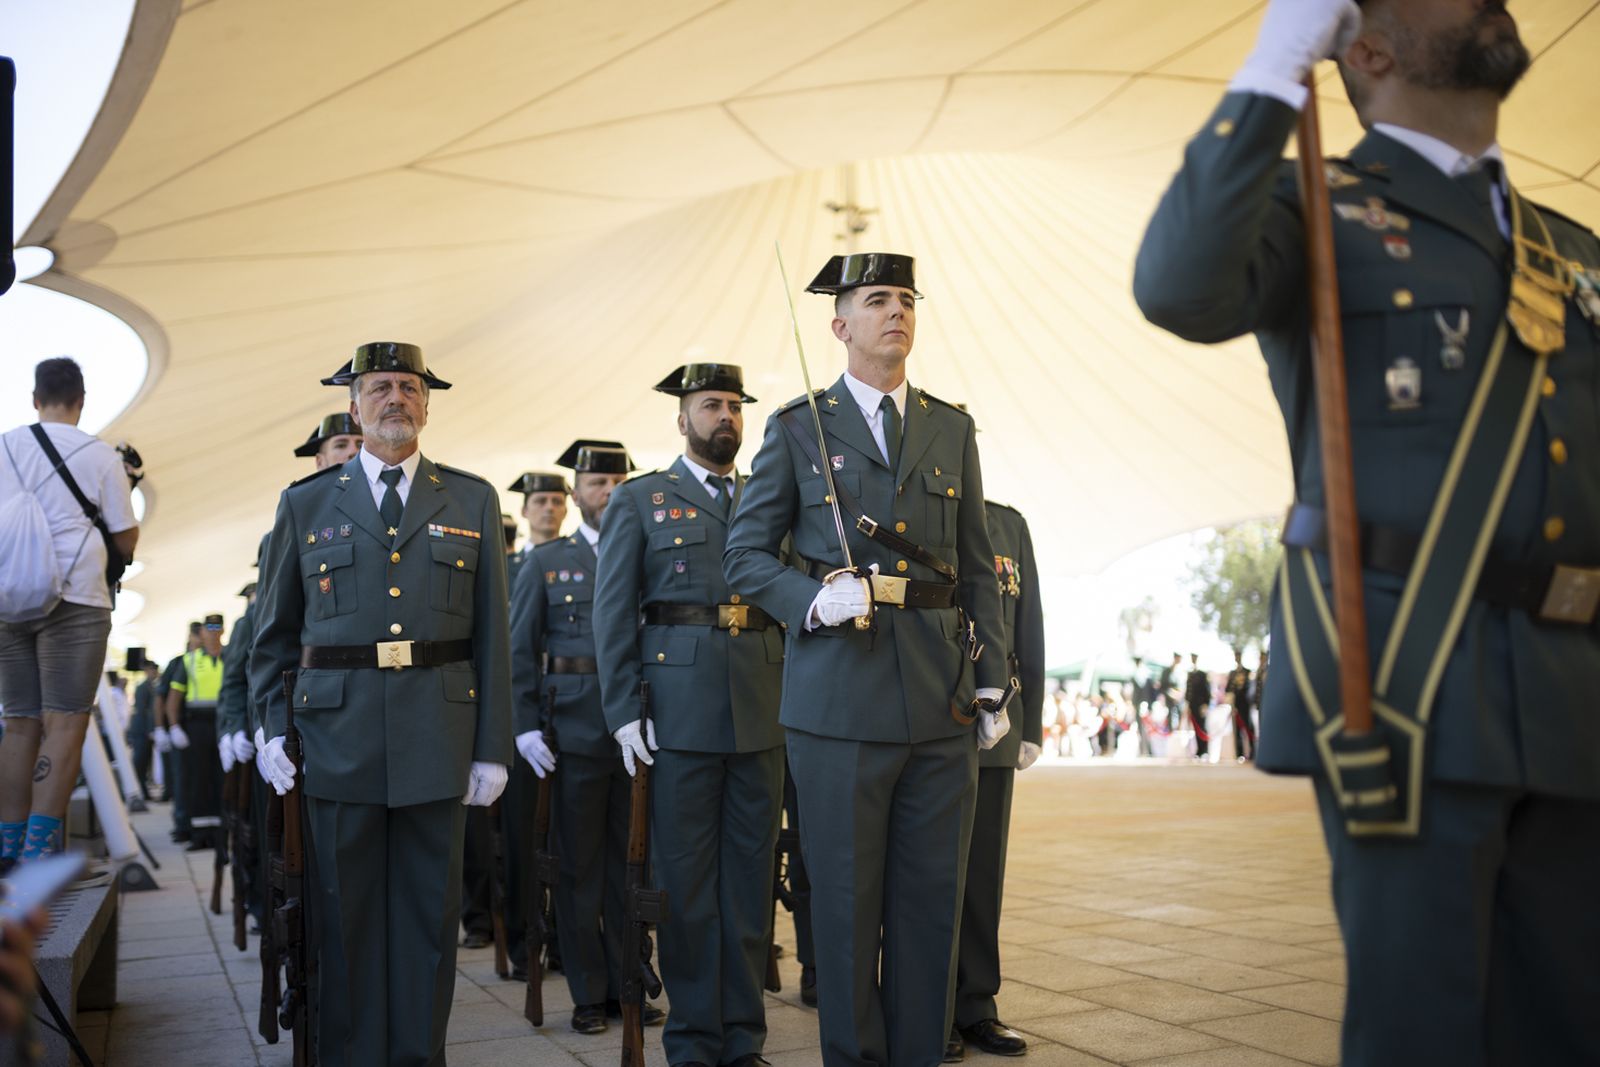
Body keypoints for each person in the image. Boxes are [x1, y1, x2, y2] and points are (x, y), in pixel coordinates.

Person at [1134, 2, 1600, 1063]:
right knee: (1422, 1027)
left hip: (1572, 689)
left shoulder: (1567, 246)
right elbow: (1178, 286)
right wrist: (1271, 68)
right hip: (1404, 681)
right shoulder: (1316, 204)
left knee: (1569, 1024)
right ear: (1370, 51)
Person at [725, 253, 1009, 1067]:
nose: (897, 311)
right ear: (841, 325)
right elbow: (745, 556)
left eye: (907, 299)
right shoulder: (797, 427)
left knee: (929, 908)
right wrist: (812, 599)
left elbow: (976, 560)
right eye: (877, 299)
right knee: (846, 909)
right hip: (838, 703)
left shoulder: (951, 426)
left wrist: (991, 682)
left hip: (940, 701)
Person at [250, 341, 512, 1066]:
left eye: (408, 386)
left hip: (439, 736)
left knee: (430, 923)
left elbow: (493, 634)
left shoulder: (472, 497)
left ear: (426, 403)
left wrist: (493, 742)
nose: (394, 397)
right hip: (338, 741)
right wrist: (272, 728)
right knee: (346, 920)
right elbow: (272, 639)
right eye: (379, 387)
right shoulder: (305, 503)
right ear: (355, 405)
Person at [594, 364, 786, 1067]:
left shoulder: (769, 495)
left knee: (748, 885)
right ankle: (696, 1040)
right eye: (711, 405)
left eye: (735, 405)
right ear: (682, 419)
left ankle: (744, 1040)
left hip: (762, 712)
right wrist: (621, 710)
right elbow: (612, 610)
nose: (726, 416)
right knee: (685, 888)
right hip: (676, 715)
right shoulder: (644, 497)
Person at [511, 439, 661, 1031]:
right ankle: (588, 993)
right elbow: (521, 651)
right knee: (579, 870)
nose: (610, 493)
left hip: (639, 734)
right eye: (598, 485)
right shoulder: (547, 563)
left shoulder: (648, 555)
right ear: (576, 495)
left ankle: (630, 983)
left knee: (634, 866)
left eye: (620, 483)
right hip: (571, 733)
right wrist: (523, 726)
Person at [0, 357, 139, 872]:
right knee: (64, 723)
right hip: (76, 599)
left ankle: (7, 847)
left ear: (35, 399)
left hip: (8, 599)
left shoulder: (5, 445)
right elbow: (125, 536)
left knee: (18, 723)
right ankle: (40, 854)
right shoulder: (99, 455)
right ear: (81, 401)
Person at [949, 499, 1045, 1061]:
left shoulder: (1007, 523)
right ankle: (925, 1009)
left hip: (997, 720)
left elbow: (1025, 621)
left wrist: (1030, 720)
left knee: (983, 876)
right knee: (924, 878)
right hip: (929, 713)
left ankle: (977, 1007)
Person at [167, 613, 228, 850]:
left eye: (217, 627)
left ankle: (224, 833)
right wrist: (173, 727)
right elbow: (174, 696)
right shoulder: (189, 660)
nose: (213, 631)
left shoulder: (231, 656)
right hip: (198, 726)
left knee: (224, 779)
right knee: (199, 780)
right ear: (201, 632)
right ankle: (200, 834)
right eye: (208, 627)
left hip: (224, 724)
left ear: (223, 630)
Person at [507, 472, 570, 590]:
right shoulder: (505, 567)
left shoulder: (580, 562)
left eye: (557, 502)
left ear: (566, 511)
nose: (549, 508)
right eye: (541, 501)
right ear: (524, 511)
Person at [127, 651, 160, 800]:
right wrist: (149, 730)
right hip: (141, 731)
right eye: (152, 670)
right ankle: (138, 792)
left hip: (145, 731)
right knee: (139, 763)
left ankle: (143, 791)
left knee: (145, 763)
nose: (155, 673)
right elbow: (143, 711)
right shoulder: (143, 687)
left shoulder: (151, 687)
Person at [1224, 651, 1256, 762]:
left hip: (1245, 705)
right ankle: (1239, 753)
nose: (1237, 658)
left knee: (1247, 728)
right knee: (1236, 730)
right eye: (1236, 656)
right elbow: (1228, 689)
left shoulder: (1247, 672)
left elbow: (1250, 689)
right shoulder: (1232, 673)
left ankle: (1252, 752)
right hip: (1235, 705)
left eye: (1238, 656)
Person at [1184, 654, 1211, 760]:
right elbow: (1188, 691)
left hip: (1200, 705)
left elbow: (1206, 690)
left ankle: (1204, 750)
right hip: (1192, 705)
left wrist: (1205, 704)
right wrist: (1187, 704)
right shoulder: (1190, 674)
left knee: (1202, 727)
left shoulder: (1202, 674)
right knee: (1195, 728)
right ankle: (1199, 750)